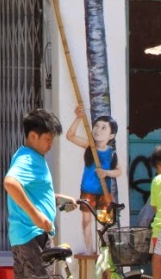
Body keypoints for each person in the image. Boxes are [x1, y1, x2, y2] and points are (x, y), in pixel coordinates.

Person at [3, 108, 77, 279]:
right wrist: (36, 216)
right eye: (48, 139)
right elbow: (10, 183)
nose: (50, 144)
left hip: (26, 236)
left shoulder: (32, 156)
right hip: (33, 236)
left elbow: (32, 191)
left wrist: (56, 199)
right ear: (33, 136)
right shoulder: (27, 159)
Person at [66, 106, 122, 255]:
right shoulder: (90, 147)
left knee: (104, 223)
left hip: (104, 192)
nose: (98, 130)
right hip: (88, 191)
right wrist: (78, 117)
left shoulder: (111, 153)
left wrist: (107, 173)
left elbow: (119, 171)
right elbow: (70, 136)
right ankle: (89, 251)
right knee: (86, 221)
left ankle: (104, 252)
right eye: (96, 126)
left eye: (104, 128)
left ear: (111, 135)